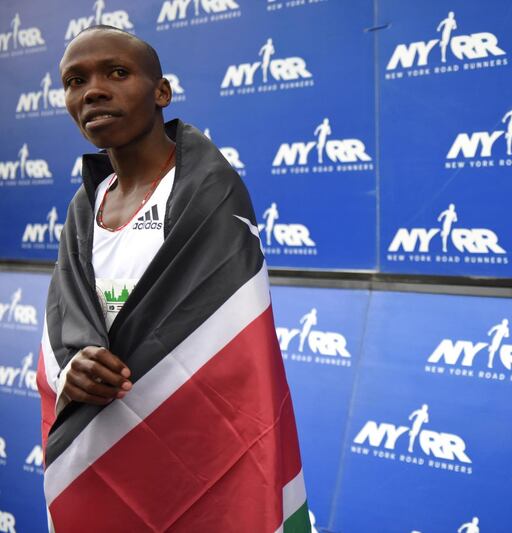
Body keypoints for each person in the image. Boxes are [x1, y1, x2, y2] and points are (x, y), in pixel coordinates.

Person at [36, 26, 309, 532]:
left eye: (117, 73)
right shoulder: (84, 206)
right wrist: (72, 367)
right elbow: (64, 322)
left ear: (161, 92)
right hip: (105, 455)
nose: (92, 90)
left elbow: (223, 345)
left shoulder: (207, 188)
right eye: (75, 81)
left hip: (194, 448)